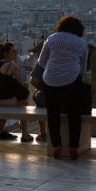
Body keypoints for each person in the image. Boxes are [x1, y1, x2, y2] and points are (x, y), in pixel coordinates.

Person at [39, 16, 88, 160]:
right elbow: (83, 68)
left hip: (50, 79)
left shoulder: (52, 38)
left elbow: (42, 61)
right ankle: (73, 146)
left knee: (52, 113)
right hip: (72, 79)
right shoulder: (81, 43)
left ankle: (56, 145)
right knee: (74, 113)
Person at [0, 42, 33, 142]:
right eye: (13, 52)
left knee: (7, 100)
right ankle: (25, 133)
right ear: (5, 54)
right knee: (24, 102)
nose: (15, 54)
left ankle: (0, 130)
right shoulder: (11, 65)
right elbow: (21, 83)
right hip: (5, 100)